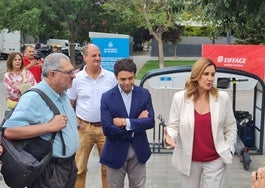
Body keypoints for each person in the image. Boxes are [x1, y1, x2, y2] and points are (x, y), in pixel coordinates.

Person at [2, 53, 79, 187]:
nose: (74, 75)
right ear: (52, 74)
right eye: (69, 72)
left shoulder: (62, 92)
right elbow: (10, 132)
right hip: (51, 171)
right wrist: (49, 126)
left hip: (69, 166)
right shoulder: (33, 98)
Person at [164, 58, 237, 188]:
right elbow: (173, 126)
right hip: (189, 161)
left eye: (213, 74)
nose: (210, 78)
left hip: (215, 160)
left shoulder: (222, 98)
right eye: (206, 74)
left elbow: (230, 126)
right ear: (196, 75)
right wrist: (169, 136)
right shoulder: (180, 98)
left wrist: (229, 148)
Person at [67, 43, 117, 188]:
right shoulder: (77, 79)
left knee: (108, 169)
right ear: (85, 57)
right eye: (94, 55)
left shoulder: (110, 77)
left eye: (99, 55)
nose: (98, 58)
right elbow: (69, 105)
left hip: (106, 129)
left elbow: (116, 103)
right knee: (79, 169)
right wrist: (77, 123)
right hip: (84, 129)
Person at [100, 58, 155, 188]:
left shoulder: (144, 94)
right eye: (122, 79)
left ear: (135, 75)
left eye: (130, 78)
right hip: (115, 150)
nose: (127, 82)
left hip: (139, 151)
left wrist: (125, 122)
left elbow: (150, 122)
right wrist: (137, 124)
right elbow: (107, 129)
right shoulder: (107, 97)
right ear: (116, 77)